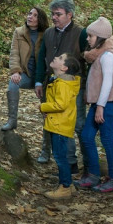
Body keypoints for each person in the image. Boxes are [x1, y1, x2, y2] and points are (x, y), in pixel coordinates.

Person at [33, 0, 88, 172]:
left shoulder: (81, 33)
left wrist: (88, 89)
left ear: (69, 15)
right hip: (51, 85)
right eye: (52, 14)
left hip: (73, 87)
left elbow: (89, 62)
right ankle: (68, 164)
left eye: (58, 14)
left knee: (78, 124)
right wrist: (38, 81)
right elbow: (41, 57)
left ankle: (88, 163)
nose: (54, 17)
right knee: (55, 122)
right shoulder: (49, 33)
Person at [75, 17, 113, 193]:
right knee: (87, 136)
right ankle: (93, 175)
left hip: (107, 104)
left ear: (101, 38)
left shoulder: (108, 56)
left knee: (106, 140)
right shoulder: (99, 55)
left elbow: (108, 83)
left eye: (91, 36)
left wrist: (101, 107)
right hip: (99, 104)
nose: (88, 39)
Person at [40, 53, 82, 199]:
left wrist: (43, 107)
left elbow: (60, 104)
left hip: (60, 125)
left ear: (64, 67)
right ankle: (68, 184)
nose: (55, 57)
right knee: (60, 155)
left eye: (59, 58)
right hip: (58, 123)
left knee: (59, 157)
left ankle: (64, 187)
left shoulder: (63, 84)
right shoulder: (59, 81)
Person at [1, 6, 50, 131]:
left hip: (43, 77)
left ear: (41, 19)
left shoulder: (48, 34)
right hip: (26, 74)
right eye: (29, 14)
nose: (30, 17)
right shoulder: (19, 32)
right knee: (13, 83)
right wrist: (15, 71)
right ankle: (12, 120)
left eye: (34, 15)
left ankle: (47, 146)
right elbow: (14, 53)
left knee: (48, 111)